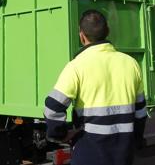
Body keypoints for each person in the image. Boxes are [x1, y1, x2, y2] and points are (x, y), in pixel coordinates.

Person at [44, 10, 147, 165]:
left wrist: (60, 135)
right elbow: (140, 112)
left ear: (82, 35)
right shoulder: (131, 63)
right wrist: (135, 140)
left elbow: (52, 108)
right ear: (108, 32)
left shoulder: (76, 66)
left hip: (88, 154)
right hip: (123, 154)